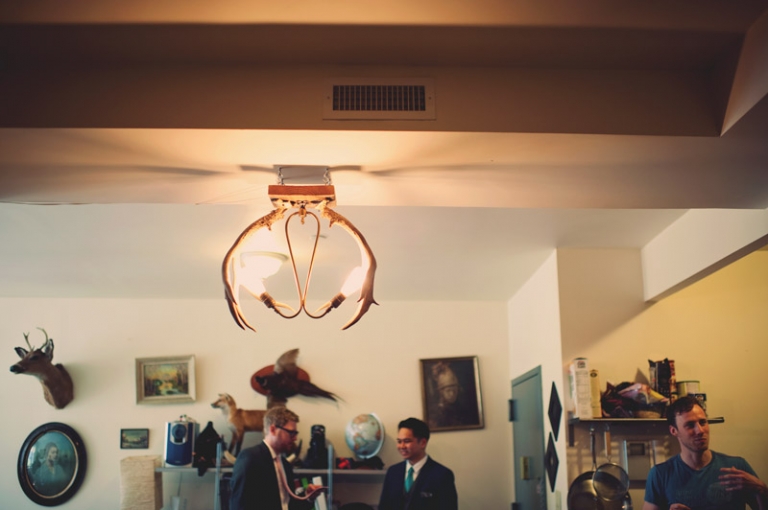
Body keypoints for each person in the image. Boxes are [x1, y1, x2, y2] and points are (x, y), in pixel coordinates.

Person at [643, 396, 768, 510]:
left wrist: (762, 488)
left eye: (703, 422)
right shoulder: (660, 474)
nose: (700, 430)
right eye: (690, 425)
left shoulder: (736, 467)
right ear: (674, 431)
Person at [230, 406, 324, 510]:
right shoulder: (250, 458)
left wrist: (308, 496)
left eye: (295, 433)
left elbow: (288, 505)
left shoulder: (285, 465)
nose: (295, 438)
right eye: (291, 432)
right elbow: (239, 505)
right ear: (273, 429)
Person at [379, 417, 458, 510]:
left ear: (423, 443)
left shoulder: (442, 475)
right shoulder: (393, 472)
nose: (402, 446)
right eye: (399, 441)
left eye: (407, 441)